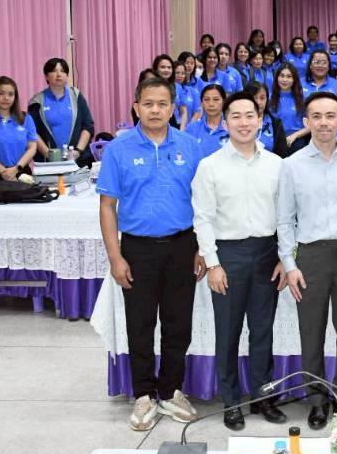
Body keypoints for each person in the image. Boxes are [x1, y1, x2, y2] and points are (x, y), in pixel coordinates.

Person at [97, 76, 205, 431]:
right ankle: (143, 394)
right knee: (140, 324)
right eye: (148, 104)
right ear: (136, 107)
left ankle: (171, 390)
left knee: (178, 324)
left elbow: (204, 203)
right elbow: (107, 206)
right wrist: (115, 257)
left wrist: (202, 249)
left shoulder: (190, 146)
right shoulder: (119, 149)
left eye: (162, 104)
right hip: (137, 249)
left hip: (182, 246)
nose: (155, 110)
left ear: (173, 108)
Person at [277, 92, 337, 429]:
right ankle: (318, 400)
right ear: (306, 122)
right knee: (311, 333)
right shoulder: (291, 165)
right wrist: (290, 265)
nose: (324, 123)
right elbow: (284, 221)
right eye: (316, 116)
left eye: (330, 115)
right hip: (310, 257)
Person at [192, 90, 287, 431]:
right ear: (225, 123)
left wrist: (285, 257)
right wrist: (214, 263)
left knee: (262, 331)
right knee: (228, 332)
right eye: (236, 116)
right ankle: (231, 402)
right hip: (228, 255)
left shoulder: (277, 165)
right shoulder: (210, 166)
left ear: (260, 120)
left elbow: (286, 216)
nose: (244, 122)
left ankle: (263, 398)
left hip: (266, 254)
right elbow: (203, 218)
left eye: (250, 115)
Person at [29, 57, 94, 166]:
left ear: (67, 76)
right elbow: (32, 132)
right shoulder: (37, 101)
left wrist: (78, 151)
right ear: (46, 76)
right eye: (54, 71)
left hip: (78, 160)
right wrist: (49, 154)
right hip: (49, 162)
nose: (59, 74)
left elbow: (88, 126)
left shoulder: (76, 96)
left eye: (63, 71)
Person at [0, 76, 38, 182]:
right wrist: (4, 172)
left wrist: (17, 168)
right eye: (1, 93)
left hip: (21, 173)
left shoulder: (26, 118)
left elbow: (32, 147)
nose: (6, 98)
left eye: (10, 94)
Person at [185, 83, 231, 160]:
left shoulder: (233, 128)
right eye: (206, 100)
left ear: (224, 102)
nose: (211, 104)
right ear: (201, 103)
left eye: (216, 99)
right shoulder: (192, 129)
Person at [269, 64, 309, 152]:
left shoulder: (302, 99)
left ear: (294, 79)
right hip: (275, 140)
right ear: (277, 78)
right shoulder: (269, 99)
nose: (284, 80)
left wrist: (295, 135)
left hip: (296, 140)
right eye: (282, 76)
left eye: (289, 76)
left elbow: (310, 126)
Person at [243, 81, 289, 158]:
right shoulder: (238, 123)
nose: (258, 102)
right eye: (254, 98)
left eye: (262, 98)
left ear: (267, 99)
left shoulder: (276, 124)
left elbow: (282, 156)